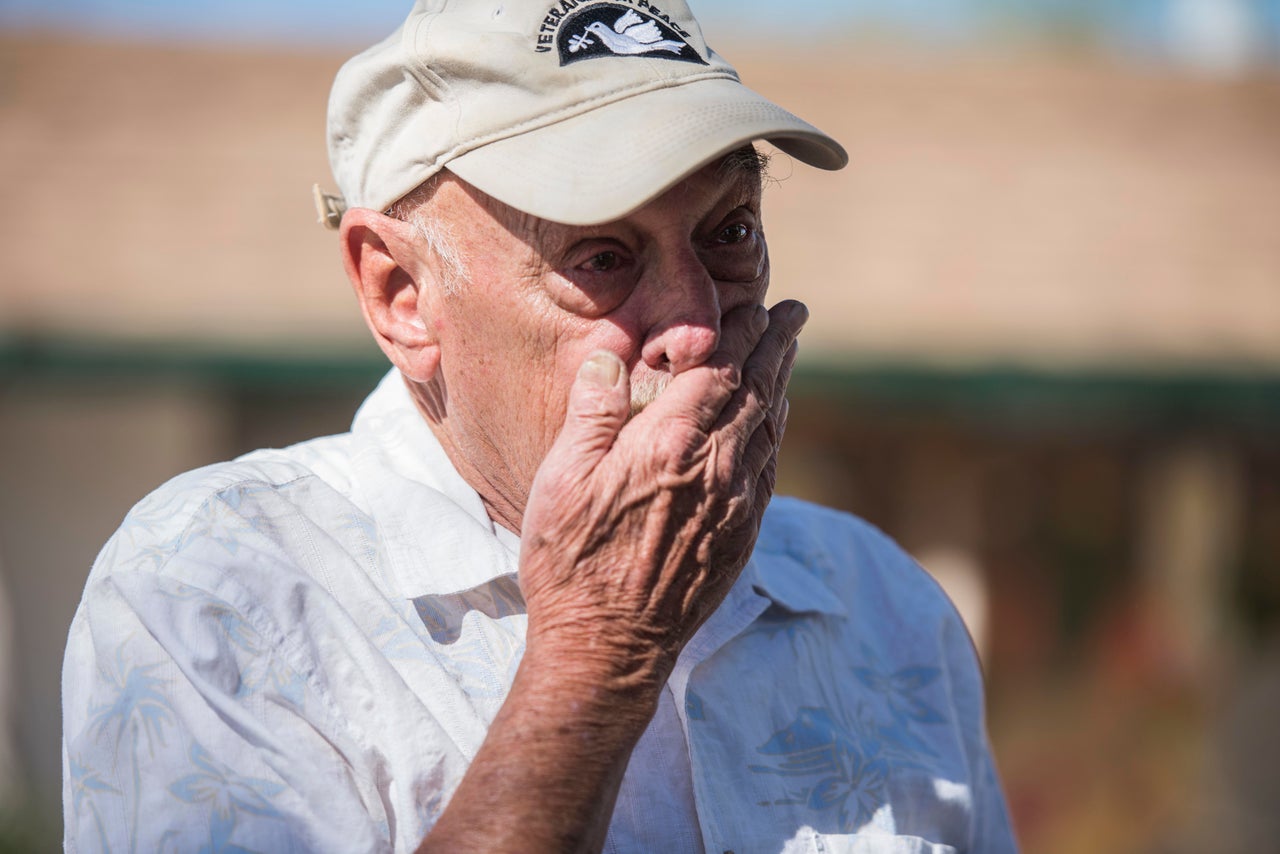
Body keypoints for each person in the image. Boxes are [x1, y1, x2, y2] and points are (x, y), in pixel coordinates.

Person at [62, 1, 1018, 851]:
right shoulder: (220, 593)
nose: (694, 327)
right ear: (401, 294)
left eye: (729, 233)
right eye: (603, 255)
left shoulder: (882, 609)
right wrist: (600, 654)